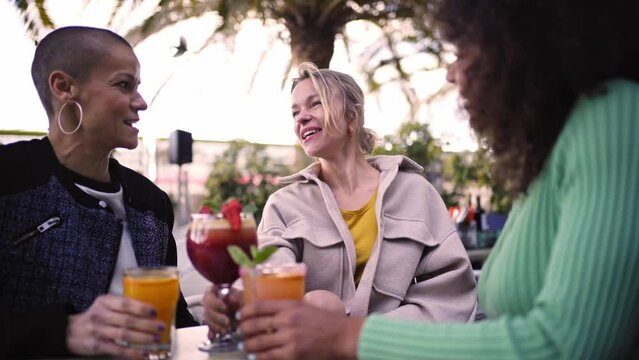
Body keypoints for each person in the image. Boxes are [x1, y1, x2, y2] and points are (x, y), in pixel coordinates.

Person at [236, 0, 639, 358]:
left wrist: (352, 336)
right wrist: (241, 299)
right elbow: (272, 282)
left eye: (463, 49)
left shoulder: (611, 120)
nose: (448, 73)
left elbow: (467, 301)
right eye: (294, 111)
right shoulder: (541, 163)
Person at [202, 62, 477, 336]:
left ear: (352, 117)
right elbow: (268, 272)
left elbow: (449, 293)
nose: (301, 117)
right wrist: (233, 299)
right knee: (321, 303)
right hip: (309, 347)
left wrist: (367, 337)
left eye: (315, 104)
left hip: (391, 348)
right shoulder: (284, 204)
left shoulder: (415, 192)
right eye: (295, 112)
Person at [0, 26, 198, 359]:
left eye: (138, 87)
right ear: (64, 87)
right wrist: (65, 331)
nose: (141, 102)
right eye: (124, 85)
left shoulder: (152, 203)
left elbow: (171, 321)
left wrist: (220, 325)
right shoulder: (9, 179)